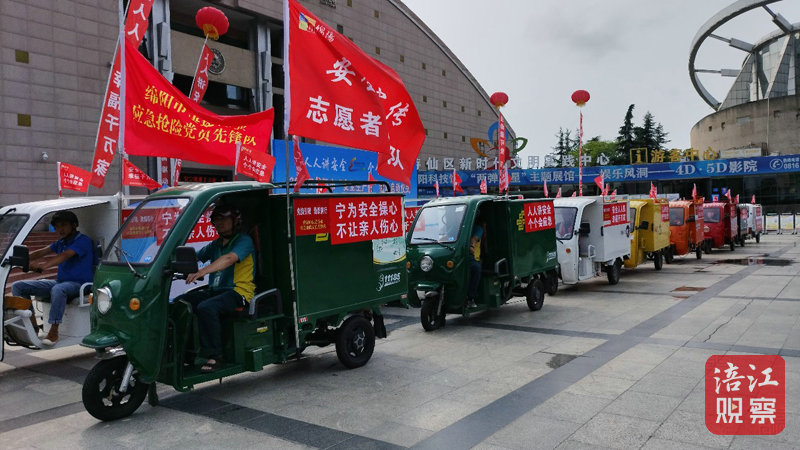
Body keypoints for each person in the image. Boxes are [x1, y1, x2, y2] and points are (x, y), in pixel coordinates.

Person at [176, 204, 255, 373]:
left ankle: (216, 355)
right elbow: (195, 256)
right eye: (216, 219)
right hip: (216, 291)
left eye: (224, 219)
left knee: (207, 307)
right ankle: (186, 351)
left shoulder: (243, 241)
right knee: (180, 303)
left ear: (235, 220)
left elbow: (229, 259)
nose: (219, 223)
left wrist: (202, 271)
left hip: (238, 292)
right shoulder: (216, 244)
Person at [11, 210, 94, 345]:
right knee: (18, 286)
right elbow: (42, 251)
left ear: (74, 225)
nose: (60, 229)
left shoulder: (83, 241)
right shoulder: (61, 242)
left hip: (80, 284)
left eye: (64, 225)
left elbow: (65, 255)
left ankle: (53, 331)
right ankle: (32, 327)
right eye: (57, 226)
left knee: (58, 289)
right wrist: (19, 259)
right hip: (61, 281)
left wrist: (43, 266)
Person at [466, 215, 485, 308]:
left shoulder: (478, 228)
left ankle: (471, 297)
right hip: (462, 256)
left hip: (472, 257)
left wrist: (471, 246)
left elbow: (474, 239)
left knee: (476, 268)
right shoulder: (462, 227)